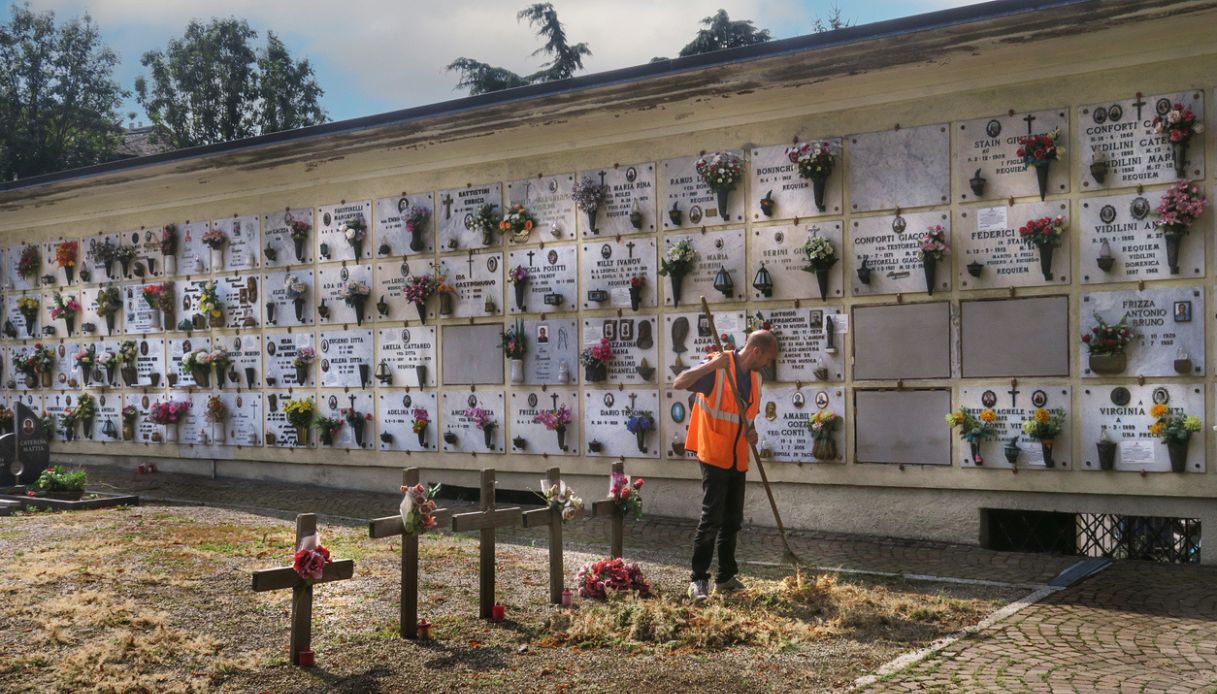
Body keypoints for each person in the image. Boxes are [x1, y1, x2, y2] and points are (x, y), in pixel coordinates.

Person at [673, 329, 778, 602]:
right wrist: (711, 365)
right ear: (756, 351)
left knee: (732, 521)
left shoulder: (755, 379)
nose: (768, 364)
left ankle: (726, 577)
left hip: (737, 457)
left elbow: (747, 417)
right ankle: (698, 579)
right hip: (713, 454)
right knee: (711, 520)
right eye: (768, 358)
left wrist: (751, 432)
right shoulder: (718, 368)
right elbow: (679, 382)